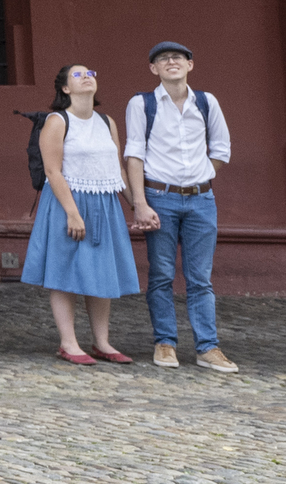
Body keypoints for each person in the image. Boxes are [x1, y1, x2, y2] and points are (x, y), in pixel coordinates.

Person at [126, 39, 238, 372]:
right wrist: (140, 203)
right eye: (163, 59)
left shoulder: (206, 102)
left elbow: (221, 149)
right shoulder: (141, 104)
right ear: (153, 68)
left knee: (200, 278)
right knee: (161, 275)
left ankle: (208, 347)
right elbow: (134, 155)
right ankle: (165, 343)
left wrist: (199, 178)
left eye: (178, 57)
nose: (171, 62)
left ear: (190, 64)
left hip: (202, 200)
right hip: (160, 198)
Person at [25, 61, 139, 364]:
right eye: (78, 74)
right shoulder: (58, 121)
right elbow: (52, 170)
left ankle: (102, 342)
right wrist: (73, 213)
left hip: (104, 203)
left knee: (101, 272)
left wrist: (135, 204)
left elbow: (117, 168)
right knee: (65, 271)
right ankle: (69, 342)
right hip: (68, 202)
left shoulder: (107, 122)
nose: (87, 77)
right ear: (65, 88)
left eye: (90, 73)